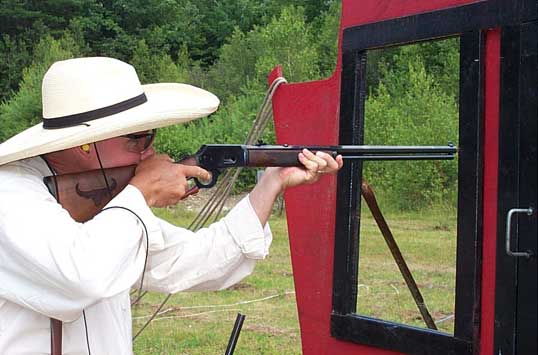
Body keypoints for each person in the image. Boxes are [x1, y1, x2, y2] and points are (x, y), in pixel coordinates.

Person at [0, 57, 342, 354]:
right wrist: (142, 192)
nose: (150, 151)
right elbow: (82, 276)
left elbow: (195, 261)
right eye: (138, 138)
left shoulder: (108, 203)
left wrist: (272, 183)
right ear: (85, 144)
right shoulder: (11, 196)